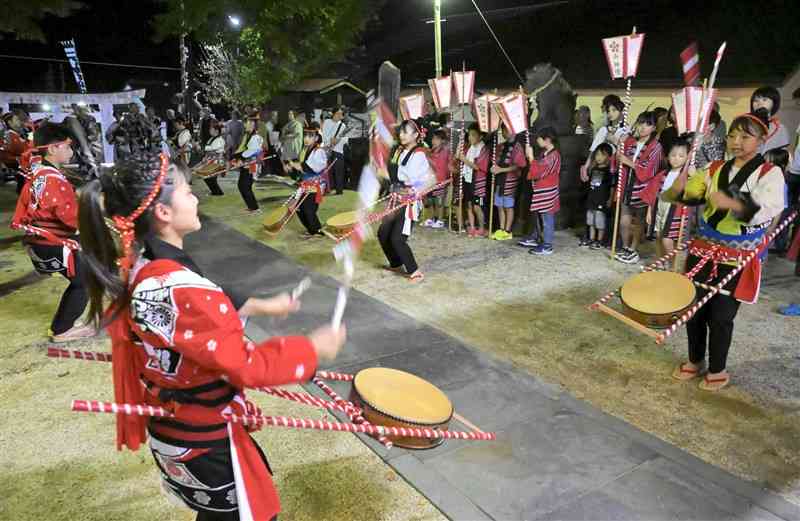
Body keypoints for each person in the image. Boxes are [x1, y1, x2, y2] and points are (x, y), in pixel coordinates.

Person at [77, 150, 347, 521]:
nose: (196, 198)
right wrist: (311, 350)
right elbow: (246, 367)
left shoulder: (143, 268)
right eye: (188, 192)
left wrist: (257, 305)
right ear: (164, 213)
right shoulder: (182, 289)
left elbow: (195, 314)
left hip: (175, 428)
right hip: (204, 440)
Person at [664, 111, 785, 391]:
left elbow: (767, 209)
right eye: (732, 135)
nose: (736, 142)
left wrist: (733, 201)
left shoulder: (771, 173)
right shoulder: (714, 167)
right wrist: (682, 186)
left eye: (745, 136)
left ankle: (718, 368)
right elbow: (690, 197)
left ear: (762, 140)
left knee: (721, 316)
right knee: (694, 310)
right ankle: (695, 360)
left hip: (737, 256)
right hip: (702, 249)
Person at [11, 123, 93, 342]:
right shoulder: (52, 180)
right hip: (49, 243)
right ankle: (62, 330)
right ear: (53, 149)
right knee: (85, 280)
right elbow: (69, 217)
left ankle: (64, 324)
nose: (71, 151)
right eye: (67, 146)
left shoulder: (39, 168)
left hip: (39, 239)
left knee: (87, 271)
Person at [378, 120, 433, 282]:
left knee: (398, 238)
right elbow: (394, 172)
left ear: (416, 135)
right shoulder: (400, 150)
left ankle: (414, 270)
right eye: (401, 132)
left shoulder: (419, 154)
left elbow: (413, 179)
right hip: (397, 197)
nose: (401, 135)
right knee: (383, 233)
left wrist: (389, 176)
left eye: (405, 132)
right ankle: (395, 262)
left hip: (409, 200)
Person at [613, 111, 664, 264]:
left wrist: (628, 162)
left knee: (640, 220)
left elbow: (649, 170)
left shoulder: (656, 147)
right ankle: (625, 246)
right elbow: (618, 161)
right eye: (640, 123)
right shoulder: (631, 142)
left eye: (647, 124)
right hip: (627, 185)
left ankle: (633, 249)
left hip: (643, 188)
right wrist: (619, 146)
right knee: (624, 220)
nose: (643, 127)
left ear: (654, 127)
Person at [524, 127, 561, 255]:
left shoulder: (554, 156)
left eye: (539, 138)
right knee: (541, 217)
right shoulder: (545, 153)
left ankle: (547, 245)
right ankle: (538, 238)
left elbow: (539, 171)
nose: (537, 140)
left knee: (547, 218)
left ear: (548, 139)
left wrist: (530, 158)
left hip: (548, 192)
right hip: (542, 191)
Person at [287, 123, 328, 237]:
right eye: (305, 136)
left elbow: (314, 167)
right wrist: (291, 169)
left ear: (316, 138)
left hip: (315, 186)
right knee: (299, 208)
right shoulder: (304, 151)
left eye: (310, 136)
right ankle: (311, 229)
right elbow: (299, 171)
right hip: (305, 185)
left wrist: (298, 166)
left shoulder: (318, 151)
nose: (306, 139)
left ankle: (317, 231)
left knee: (308, 209)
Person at [490, 125, 527, 240]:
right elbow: (496, 160)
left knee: (508, 206)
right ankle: (501, 229)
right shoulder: (501, 146)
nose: (504, 133)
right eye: (503, 130)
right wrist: (495, 167)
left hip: (510, 179)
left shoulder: (517, 147)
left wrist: (501, 169)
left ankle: (507, 230)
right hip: (499, 179)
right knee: (500, 206)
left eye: (505, 130)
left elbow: (519, 165)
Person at [654, 138, 690, 256]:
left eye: (681, 156)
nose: (676, 158)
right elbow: (655, 193)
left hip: (674, 210)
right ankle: (659, 261)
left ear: (687, 158)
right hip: (660, 206)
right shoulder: (664, 173)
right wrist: (650, 211)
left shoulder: (686, 175)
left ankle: (671, 265)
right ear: (668, 156)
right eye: (673, 155)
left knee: (667, 239)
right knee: (658, 236)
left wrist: (693, 175)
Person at [455, 123, 490, 237]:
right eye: (469, 135)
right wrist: (460, 140)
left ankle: (481, 227)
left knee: (477, 206)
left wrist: (464, 159)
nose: (470, 138)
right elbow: (457, 156)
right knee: (469, 205)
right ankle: (472, 226)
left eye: (473, 135)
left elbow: (478, 167)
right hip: (467, 179)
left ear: (480, 136)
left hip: (478, 180)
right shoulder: (469, 148)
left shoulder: (483, 149)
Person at [583, 143, 614, 249]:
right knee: (590, 220)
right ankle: (591, 239)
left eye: (602, 155)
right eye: (597, 155)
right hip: (591, 199)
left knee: (599, 221)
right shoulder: (593, 169)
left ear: (609, 157)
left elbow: (612, 187)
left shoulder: (609, 172)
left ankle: (599, 240)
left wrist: (610, 198)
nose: (599, 157)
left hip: (601, 200)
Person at [233, 115, 264, 213]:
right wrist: (236, 157)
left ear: (254, 126)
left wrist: (240, 157)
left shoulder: (256, 137)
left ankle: (255, 208)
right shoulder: (247, 135)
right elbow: (242, 149)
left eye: (250, 123)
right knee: (242, 185)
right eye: (247, 122)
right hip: (245, 164)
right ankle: (251, 206)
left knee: (245, 186)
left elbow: (251, 151)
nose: (247, 124)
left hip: (251, 165)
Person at [423, 129, 450, 229]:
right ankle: (431, 218)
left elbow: (439, 166)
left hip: (440, 180)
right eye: (433, 138)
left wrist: (428, 158)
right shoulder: (431, 150)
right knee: (430, 201)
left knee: (439, 202)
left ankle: (440, 220)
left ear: (442, 140)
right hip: (430, 180)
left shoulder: (445, 151)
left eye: (436, 139)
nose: (433, 140)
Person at [750, 86, 791, 153]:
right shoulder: (746, 125)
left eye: (764, 99)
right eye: (755, 100)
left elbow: (783, 154)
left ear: (774, 102)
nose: (759, 103)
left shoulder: (780, 128)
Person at [1, 110, 32, 193]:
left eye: (20, 120)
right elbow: (4, 154)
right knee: (23, 183)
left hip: (20, 163)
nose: (20, 122)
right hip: (16, 165)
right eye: (17, 120)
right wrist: (18, 158)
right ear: (10, 122)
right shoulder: (8, 135)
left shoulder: (16, 134)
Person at [322, 106, 349, 195]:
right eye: (337, 113)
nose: (339, 115)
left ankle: (339, 190)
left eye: (341, 114)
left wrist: (337, 141)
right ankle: (328, 188)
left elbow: (345, 140)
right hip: (327, 150)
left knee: (338, 170)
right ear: (333, 114)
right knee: (328, 171)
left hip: (338, 151)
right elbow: (324, 135)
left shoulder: (343, 125)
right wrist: (330, 141)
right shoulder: (327, 122)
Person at [201, 120, 226, 196]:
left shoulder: (219, 140)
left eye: (211, 129)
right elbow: (208, 150)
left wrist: (208, 156)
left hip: (216, 161)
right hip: (210, 160)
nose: (209, 131)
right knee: (207, 177)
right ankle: (215, 192)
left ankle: (218, 192)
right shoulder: (211, 139)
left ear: (216, 131)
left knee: (210, 177)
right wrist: (205, 157)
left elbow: (218, 152)